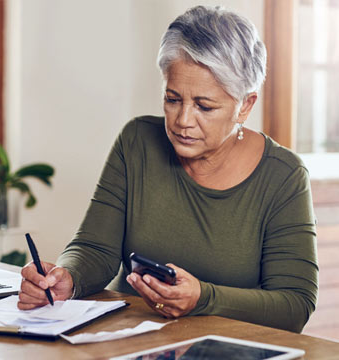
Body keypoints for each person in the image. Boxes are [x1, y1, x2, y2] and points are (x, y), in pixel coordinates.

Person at [17, 5, 318, 333]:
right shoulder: (137, 141)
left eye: (204, 106)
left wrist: (203, 297)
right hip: (126, 340)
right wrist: (68, 279)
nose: (183, 121)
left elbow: (294, 304)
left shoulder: (284, 175)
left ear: (245, 105)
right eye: (173, 99)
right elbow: (95, 248)